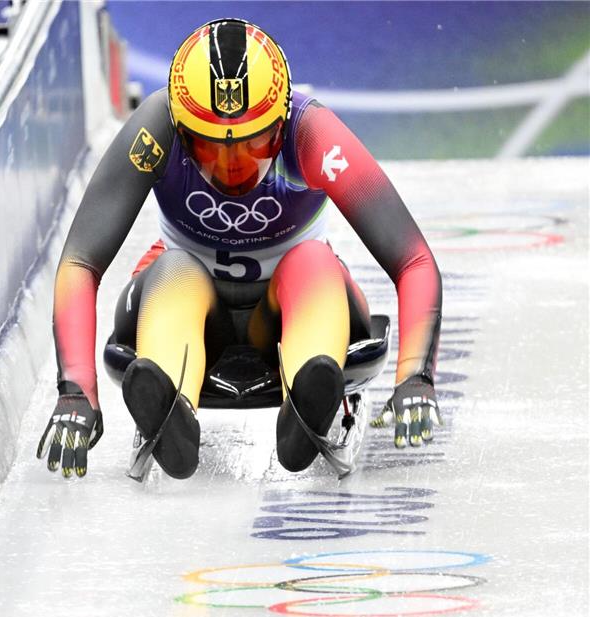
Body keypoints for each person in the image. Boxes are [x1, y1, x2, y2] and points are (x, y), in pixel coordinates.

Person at [39, 18, 442, 479]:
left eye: (252, 144)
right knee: (174, 268)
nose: (232, 166)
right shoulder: (156, 130)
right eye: (211, 149)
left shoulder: (312, 133)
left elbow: (412, 259)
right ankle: (168, 400)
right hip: (192, 298)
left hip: (289, 303)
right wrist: (75, 390)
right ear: (182, 130)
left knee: (312, 261)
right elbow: (80, 260)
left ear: (281, 121)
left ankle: (306, 395)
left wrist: (415, 375)